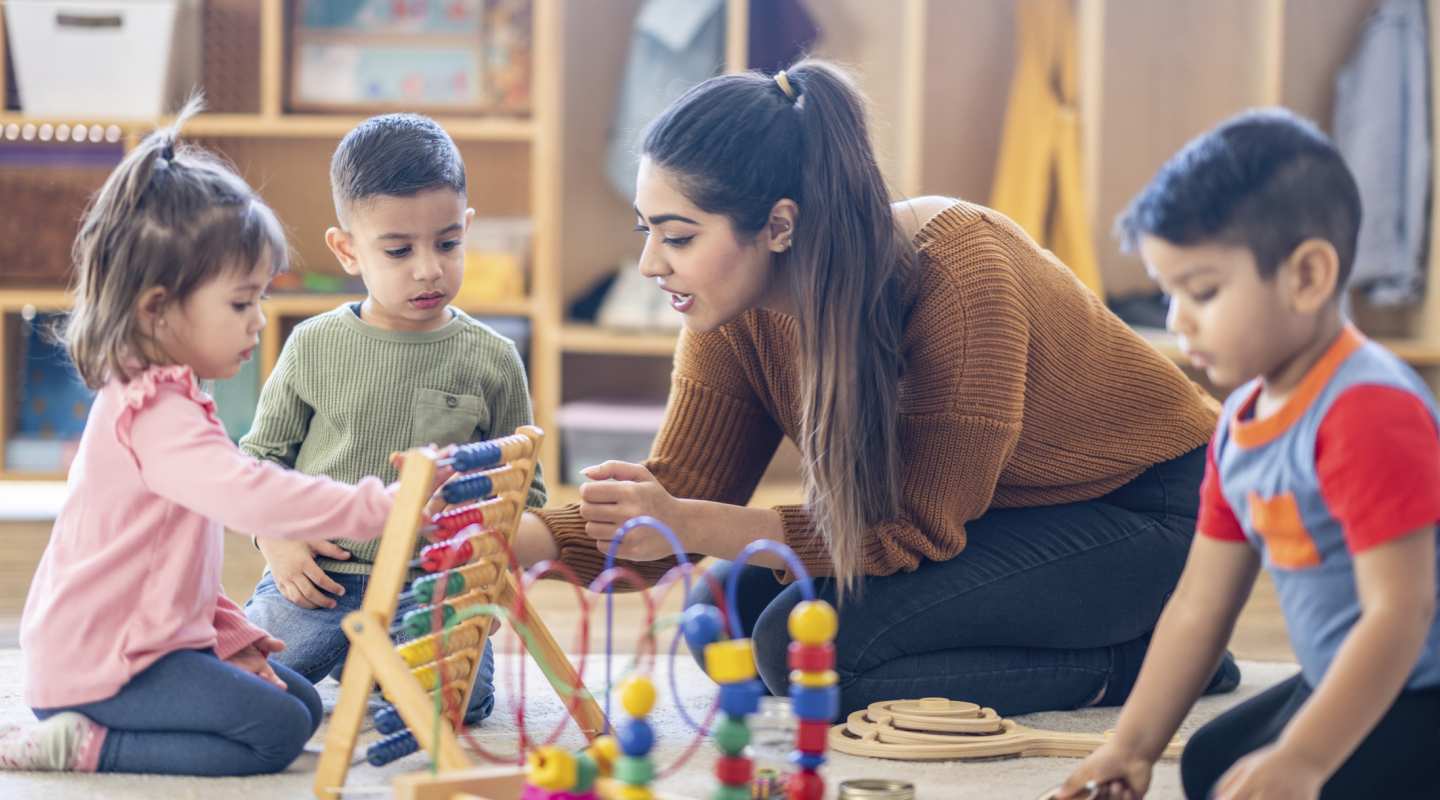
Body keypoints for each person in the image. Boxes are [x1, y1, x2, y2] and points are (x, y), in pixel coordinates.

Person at [508, 59, 1237, 717]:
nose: (649, 264)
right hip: (1001, 512)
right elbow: (675, 498)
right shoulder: (732, 313)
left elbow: (909, 529)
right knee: (724, 617)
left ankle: (1147, 663)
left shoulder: (959, 277)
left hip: (1157, 511)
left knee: (814, 660)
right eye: (647, 231)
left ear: (779, 226)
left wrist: (690, 522)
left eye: (678, 236)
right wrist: (519, 539)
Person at [0, 102, 413, 776]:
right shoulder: (153, 413)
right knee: (276, 733)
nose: (258, 322)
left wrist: (230, 634)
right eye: (240, 303)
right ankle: (83, 744)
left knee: (303, 705)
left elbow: (168, 562)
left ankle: (116, 720)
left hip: (146, 643)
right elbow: (250, 497)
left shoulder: (173, 393)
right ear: (157, 309)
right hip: (103, 666)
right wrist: (380, 507)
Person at [1058, 109, 1440, 800]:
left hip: (1422, 684)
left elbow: (1400, 613)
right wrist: (1130, 747)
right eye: (1168, 292)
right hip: (1349, 674)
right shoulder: (1238, 424)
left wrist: (1305, 758)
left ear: (1308, 276)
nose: (1177, 320)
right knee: (1213, 764)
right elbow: (1200, 607)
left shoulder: (1368, 410)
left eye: (1202, 291)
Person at [241, 114, 546, 726]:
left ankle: (371, 665)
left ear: (468, 230)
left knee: (455, 707)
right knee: (239, 685)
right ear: (347, 249)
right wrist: (276, 538)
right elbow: (255, 461)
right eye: (399, 250)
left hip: (430, 590)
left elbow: (527, 494)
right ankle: (354, 657)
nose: (428, 268)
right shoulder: (312, 344)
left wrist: (474, 560)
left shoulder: (494, 358)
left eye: (448, 243)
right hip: (320, 579)